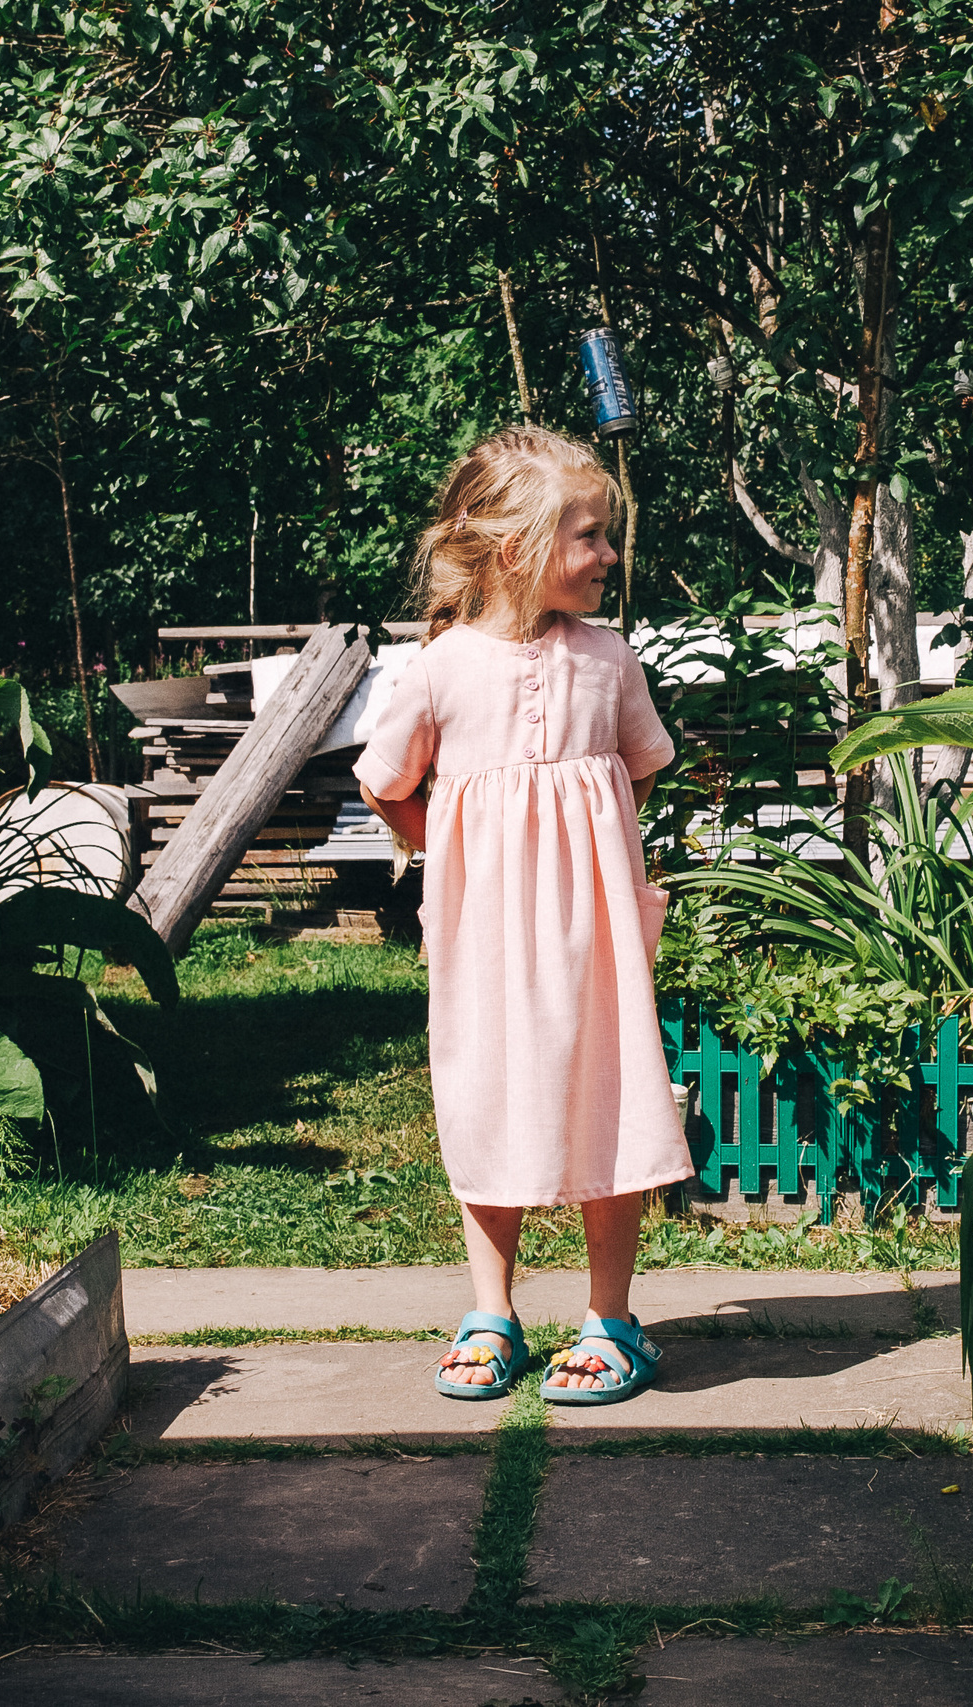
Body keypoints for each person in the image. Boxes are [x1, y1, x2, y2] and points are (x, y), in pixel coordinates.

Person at [353, 424, 691, 1404]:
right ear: (516, 552)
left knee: (611, 1101)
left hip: (595, 942)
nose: (608, 556)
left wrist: (576, 854)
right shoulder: (443, 669)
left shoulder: (606, 659)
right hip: (484, 942)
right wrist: (451, 846)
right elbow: (384, 783)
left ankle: (610, 1319)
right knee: (485, 1099)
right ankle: (490, 1311)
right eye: (588, 536)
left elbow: (635, 771)